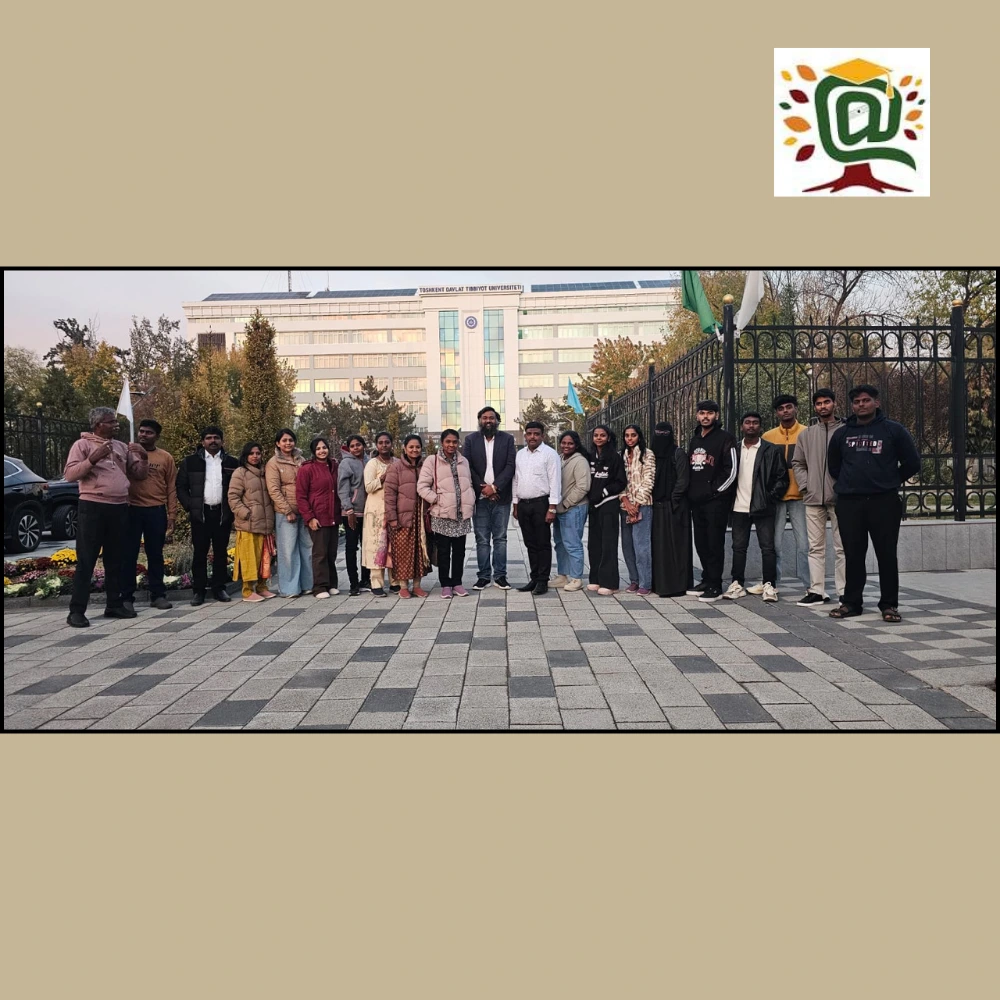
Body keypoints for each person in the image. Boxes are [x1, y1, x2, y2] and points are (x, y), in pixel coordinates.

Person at [828, 384, 920, 623]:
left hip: (884, 502)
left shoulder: (893, 431)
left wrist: (889, 481)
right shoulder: (842, 434)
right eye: (857, 401)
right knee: (853, 555)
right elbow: (834, 467)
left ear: (876, 403)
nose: (861, 405)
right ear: (852, 406)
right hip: (850, 503)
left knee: (886, 555)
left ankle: (889, 605)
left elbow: (912, 463)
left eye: (866, 400)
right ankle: (851, 603)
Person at [62, 406, 149, 627]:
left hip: (119, 507)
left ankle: (114, 604)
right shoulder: (82, 445)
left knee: (116, 559)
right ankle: (77, 611)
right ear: (98, 424)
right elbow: (70, 475)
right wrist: (93, 458)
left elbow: (138, 475)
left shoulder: (120, 446)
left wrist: (143, 457)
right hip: (92, 507)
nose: (116, 425)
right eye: (111, 422)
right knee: (87, 559)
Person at [722, 413, 788, 603]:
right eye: (747, 423)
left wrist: (769, 498)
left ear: (761, 426)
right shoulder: (733, 449)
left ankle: (769, 584)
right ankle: (737, 583)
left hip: (763, 506)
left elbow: (782, 478)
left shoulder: (771, 450)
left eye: (755, 423)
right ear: (741, 426)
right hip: (738, 506)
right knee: (738, 547)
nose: (751, 426)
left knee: (767, 547)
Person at [790, 389, 847, 606]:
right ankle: (816, 590)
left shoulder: (845, 431)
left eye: (826, 402)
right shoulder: (806, 434)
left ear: (834, 403)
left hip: (840, 498)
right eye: (819, 403)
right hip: (813, 498)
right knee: (815, 547)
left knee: (842, 547)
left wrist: (844, 487)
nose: (823, 406)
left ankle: (844, 591)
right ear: (814, 407)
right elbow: (798, 463)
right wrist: (806, 486)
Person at [176, 425, 239, 607]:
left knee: (221, 553)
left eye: (216, 438)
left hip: (222, 514)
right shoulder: (190, 462)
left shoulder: (231, 462)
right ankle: (199, 590)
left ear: (222, 440)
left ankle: (219, 588)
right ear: (203, 441)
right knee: (200, 554)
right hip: (200, 515)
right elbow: (180, 486)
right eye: (209, 438)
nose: (213, 441)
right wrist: (190, 506)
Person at [119, 418, 176, 613]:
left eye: (148, 432)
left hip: (156, 510)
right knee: (128, 555)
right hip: (132, 509)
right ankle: (126, 597)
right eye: (142, 431)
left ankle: (158, 595)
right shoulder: (128, 453)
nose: (143, 435)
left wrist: (172, 515)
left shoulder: (165, 457)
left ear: (157, 436)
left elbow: (171, 487)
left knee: (155, 555)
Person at [686, 400, 738, 602]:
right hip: (697, 501)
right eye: (702, 413)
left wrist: (716, 491)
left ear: (716, 415)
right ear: (697, 415)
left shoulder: (726, 438)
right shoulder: (695, 439)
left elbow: (732, 470)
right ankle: (707, 579)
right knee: (701, 542)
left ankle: (715, 585)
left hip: (716, 501)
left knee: (714, 542)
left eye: (709, 413)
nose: (705, 416)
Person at [759, 394, 809, 594]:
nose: (785, 411)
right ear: (777, 412)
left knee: (804, 545)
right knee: (775, 545)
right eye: (781, 408)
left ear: (795, 408)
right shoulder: (768, 436)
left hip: (801, 497)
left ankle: (810, 585)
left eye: (789, 407)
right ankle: (772, 584)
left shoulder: (807, 433)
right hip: (776, 498)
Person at [463, 406, 517, 591]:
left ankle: (500, 576)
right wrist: (484, 489)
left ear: (497, 420)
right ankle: (484, 576)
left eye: (491, 418)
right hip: (479, 497)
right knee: (482, 539)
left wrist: (494, 487)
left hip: (501, 496)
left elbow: (511, 466)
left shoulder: (508, 439)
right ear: (479, 420)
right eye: (484, 418)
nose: (488, 421)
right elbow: (467, 466)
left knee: (500, 538)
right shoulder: (470, 440)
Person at [418, 428, 476, 598]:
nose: (451, 445)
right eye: (448, 441)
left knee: (460, 551)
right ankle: (445, 584)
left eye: (454, 442)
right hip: (442, 513)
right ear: (442, 443)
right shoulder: (432, 460)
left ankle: (457, 582)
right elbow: (422, 486)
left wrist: (470, 498)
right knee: (443, 551)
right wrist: (436, 499)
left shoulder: (464, 460)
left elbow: (469, 483)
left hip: (461, 514)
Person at [512, 421, 561, 596]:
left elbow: (555, 481)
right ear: (525, 435)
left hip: (542, 504)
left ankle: (542, 580)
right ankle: (534, 578)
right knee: (530, 543)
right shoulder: (520, 455)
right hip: (524, 504)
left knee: (542, 543)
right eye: (530, 434)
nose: (533, 437)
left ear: (543, 435)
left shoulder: (550, 454)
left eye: (536, 434)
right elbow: (516, 480)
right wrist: (515, 504)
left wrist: (552, 508)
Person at [265, 428, 313, 598]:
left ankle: (308, 584)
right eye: (284, 440)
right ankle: (290, 588)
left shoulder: (302, 460)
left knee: (307, 548)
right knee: (288, 551)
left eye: (290, 440)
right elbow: (274, 489)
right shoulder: (273, 463)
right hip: (286, 513)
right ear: (278, 443)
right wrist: (287, 510)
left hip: (304, 511)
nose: (288, 443)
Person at [227, 442, 277, 602]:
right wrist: (246, 514)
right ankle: (247, 591)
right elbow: (233, 497)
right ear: (245, 456)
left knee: (265, 557)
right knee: (249, 558)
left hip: (265, 524)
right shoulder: (240, 473)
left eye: (258, 453)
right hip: (248, 524)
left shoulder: (264, 473)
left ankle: (262, 587)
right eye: (252, 453)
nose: (255, 456)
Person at [384, 433, 432, 599]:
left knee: (420, 551)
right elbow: (389, 494)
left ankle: (417, 585)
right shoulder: (396, 467)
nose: (414, 450)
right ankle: (403, 585)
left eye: (417, 447)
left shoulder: (425, 466)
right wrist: (392, 517)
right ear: (404, 448)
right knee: (402, 551)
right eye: (411, 447)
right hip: (402, 515)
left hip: (420, 516)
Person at [650, 421, 692, 598]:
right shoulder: (651, 455)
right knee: (660, 548)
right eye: (658, 433)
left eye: (665, 433)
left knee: (677, 548)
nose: (661, 437)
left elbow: (683, 480)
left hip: (675, 507)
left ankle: (677, 585)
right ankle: (660, 585)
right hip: (656, 506)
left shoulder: (677, 453)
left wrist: (673, 499)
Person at [295, 436, 341, 599]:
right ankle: (319, 587)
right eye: (318, 449)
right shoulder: (307, 469)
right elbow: (301, 496)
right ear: (314, 452)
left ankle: (331, 584)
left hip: (333, 516)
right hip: (318, 516)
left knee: (331, 552)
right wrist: (309, 517)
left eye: (324, 447)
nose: (322, 451)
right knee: (319, 553)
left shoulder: (334, 466)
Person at [587, 425, 627, 596]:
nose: (599, 438)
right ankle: (595, 579)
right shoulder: (589, 456)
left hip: (609, 504)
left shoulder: (615, 457)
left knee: (608, 544)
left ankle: (610, 583)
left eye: (602, 435)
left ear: (608, 437)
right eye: (596, 435)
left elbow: (620, 482)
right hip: (593, 506)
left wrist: (604, 492)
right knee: (594, 543)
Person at [552, 431, 591, 592]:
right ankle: (562, 575)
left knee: (572, 543)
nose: (566, 446)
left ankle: (576, 578)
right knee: (560, 544)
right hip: (559, 509)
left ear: (576, 445)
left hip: (574, 508)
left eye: (570, 443)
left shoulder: (580, 461)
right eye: (564, 443)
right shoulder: (560, 459)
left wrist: (567, 504)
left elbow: (583, 486)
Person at [619, 424, 656, 595]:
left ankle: (645, 582)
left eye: (633, 435)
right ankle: (634, 580)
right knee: (627, 545)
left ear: (639, 436)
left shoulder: (647, 454)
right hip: (625, 506)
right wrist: (626, 502)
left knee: (641, 546)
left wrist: (636, 504)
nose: (630, 438)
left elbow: (648, 480)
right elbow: (619, 481)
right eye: (627, 435)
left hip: (643, 505)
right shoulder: (622, 455)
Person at [362, 432, 399, 598]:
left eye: (387, 442)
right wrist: (383, 478)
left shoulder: (397, 462)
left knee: (394, 546)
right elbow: (368, 487)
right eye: (381, 443)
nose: (384, 445)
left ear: (392, 444)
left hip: (393, 509)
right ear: (377, 445)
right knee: (377, 546)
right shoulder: (372, 464)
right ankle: (376, 583)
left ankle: (395, 582)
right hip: (375, 511)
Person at [338, 434, 371, 596]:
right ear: (348, 448)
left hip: (368, 512)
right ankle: (353, 583)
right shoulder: (346, 463)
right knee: (351, 548)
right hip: (351, 512)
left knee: (367, 547)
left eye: (358, 445)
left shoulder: (369, 461)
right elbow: (342, 488)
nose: (356, 448)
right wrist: (348, 509)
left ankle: (366, 580)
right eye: (352, 446)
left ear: (363, 445)